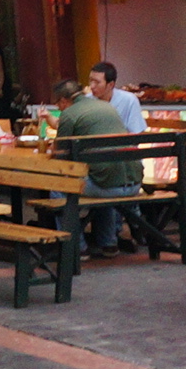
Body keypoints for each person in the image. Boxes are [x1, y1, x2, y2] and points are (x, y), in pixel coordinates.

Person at [54, 78, 165, 257]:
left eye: (57, 103)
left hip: (107, 187)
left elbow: (60, 154)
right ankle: (109, 243)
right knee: (100, 176)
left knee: (59, 187)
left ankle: (77, 248)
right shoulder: (107, 107)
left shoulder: (69, 114)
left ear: (64, 100)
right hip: (135, 184)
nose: (58, 108)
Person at [87, 61, 146, 134]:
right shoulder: (86, 100)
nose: (92, 86)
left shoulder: (129, 100)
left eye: (97, 82)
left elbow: (137, 132)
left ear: (111, 85)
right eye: (91, 81)